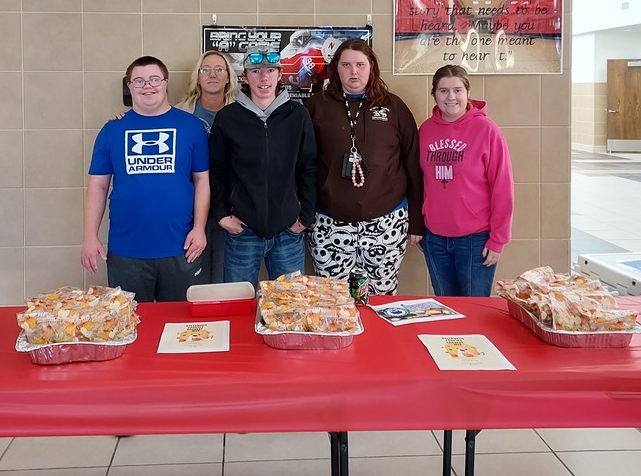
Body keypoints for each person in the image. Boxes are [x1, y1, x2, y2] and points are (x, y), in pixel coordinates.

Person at [81, 55, 210, 302]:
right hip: (126, 251)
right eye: (138, 81)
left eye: (154, 79)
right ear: (129, 87)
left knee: (179, 328)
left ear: (166, 83)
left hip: (182, 248)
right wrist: (90, 236)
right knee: (129, 324)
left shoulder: (191, 127)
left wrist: (199, 228)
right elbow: (98, 185)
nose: (147, 86)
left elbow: (202, 180)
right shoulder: (112, 130)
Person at [304, 39, 424, 295]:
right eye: (346, 65)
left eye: (360, 64)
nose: (354, 71)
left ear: (372, 68)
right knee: (332, 301)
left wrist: (416, 222)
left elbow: (413, 163)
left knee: (380, 299)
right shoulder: (315, 107)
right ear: (336, 68)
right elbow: (303, 165)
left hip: (387, 222)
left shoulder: (394, 106)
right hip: (329, 223)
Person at [209, 45, 317, 286]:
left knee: (291, 308)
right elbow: (216, 170)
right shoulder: (228, 118)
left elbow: (308, 167)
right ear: (245, 77)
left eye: (270, 70)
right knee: (238, 304)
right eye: (256, 71)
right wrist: (222, 215)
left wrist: (305, 217)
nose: (264, 77)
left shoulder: (297, 115)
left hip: (288, 231)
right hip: (242, 231)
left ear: (280, 75)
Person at [418, 64, 514, 297]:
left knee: (474, 311)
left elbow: (502, 187)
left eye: (457, 90)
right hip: (435, 238)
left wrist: (498, 240)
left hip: (475, 239)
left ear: (467, 93)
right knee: (446, 309)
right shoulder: (425, 131)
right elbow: (418, 180)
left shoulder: (486, 130)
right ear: (434, 94)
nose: (451, 97)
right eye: (443, 91)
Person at [176, 50, 238, 282]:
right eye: (206, 70)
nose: (212, 75)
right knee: (193, 276)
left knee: (224, 278)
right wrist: (123, 118)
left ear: (228, 77)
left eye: (219, 69)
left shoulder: (243, 113)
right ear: (197, 77)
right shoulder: (180, 113)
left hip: (229, 207)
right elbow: (148, 119)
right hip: (190, 208)